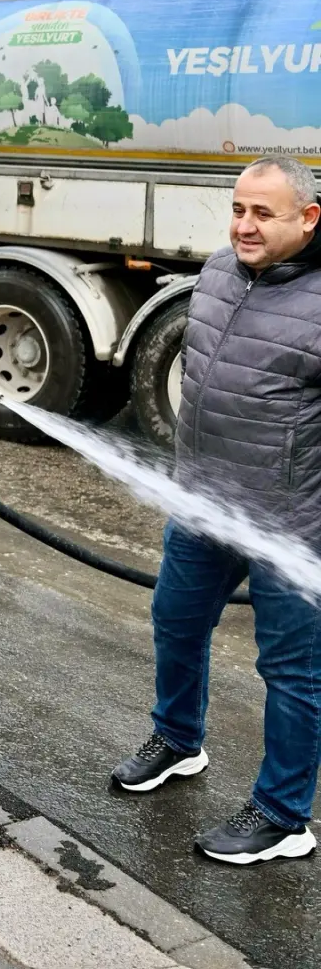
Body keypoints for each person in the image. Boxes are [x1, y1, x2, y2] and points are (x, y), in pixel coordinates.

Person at [111, 155, 321, 865]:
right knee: (175, 618)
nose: (244, 225)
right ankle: (177, 740)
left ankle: (283, 815)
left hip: (291, 523)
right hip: (202, 503)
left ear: (309, 219)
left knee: (292, 672)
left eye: (264, 213)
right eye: (238, 209)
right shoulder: (218, 271)